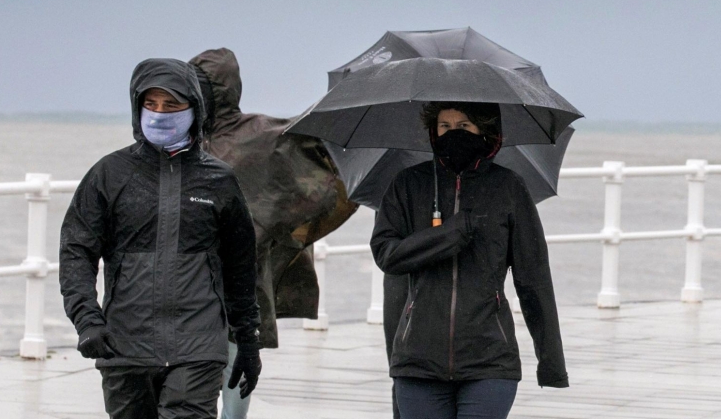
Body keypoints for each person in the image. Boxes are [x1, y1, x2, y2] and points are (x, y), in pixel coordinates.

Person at [59, 58, 262, 419]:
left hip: (198, 347)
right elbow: (77, 250)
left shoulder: (218, 181)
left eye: (171, 105)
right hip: (125, 346)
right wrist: (87, 320)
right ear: (137, 107)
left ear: (194, 110)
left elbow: (241, 265)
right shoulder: (109, 175)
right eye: (150, 104)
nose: (159, 113)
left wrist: (248, 341)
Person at [370, 101, 568, 419]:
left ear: (485, 131)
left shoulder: (508, 187)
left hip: (490, 359)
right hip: (418, 361)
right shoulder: (407, 184)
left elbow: (534, 277)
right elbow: (387, 255)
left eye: (463, 126)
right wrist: (446, 236)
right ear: (433, 133)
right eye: (444, 127)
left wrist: (551, 362)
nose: (453, 134)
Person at [189, 48, 357, 418]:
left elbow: (309, 146)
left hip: (243, 275)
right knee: (190, 383)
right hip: (189, 280)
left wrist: (349, 101)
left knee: (237, 368)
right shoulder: (185, 142)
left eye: (202, 87)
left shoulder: (259, 135)